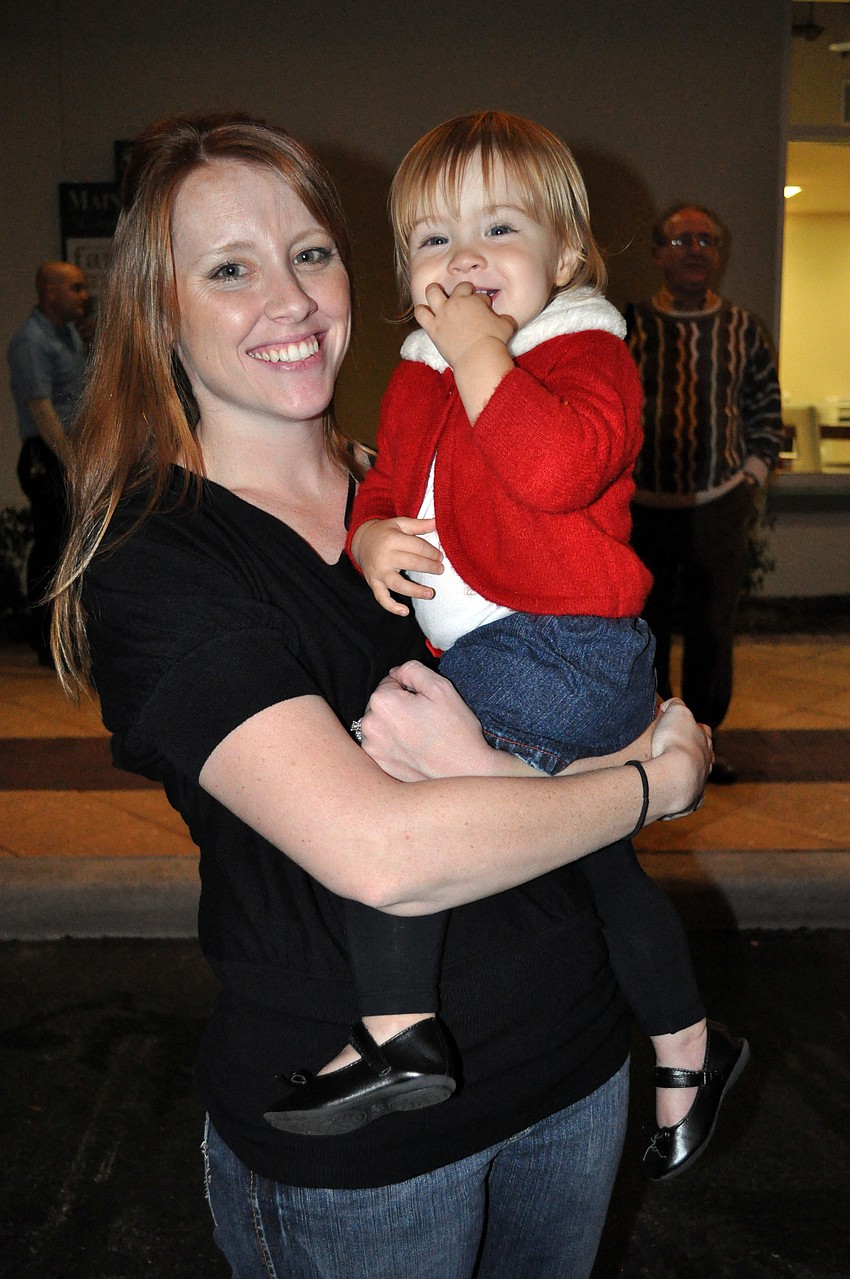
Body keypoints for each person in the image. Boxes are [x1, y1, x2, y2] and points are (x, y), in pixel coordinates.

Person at [51, 112, 712, 1279]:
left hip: (570, 1070)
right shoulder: (160, 561)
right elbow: (383, 854)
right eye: (229, 269)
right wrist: (649, 782)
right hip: (366, 1165)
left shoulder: (411, 492)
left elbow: (584, 624)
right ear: (160, 312)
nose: (291, 299)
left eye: (310, 253)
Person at [267, 111, 747, 1184]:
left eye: (496, 228)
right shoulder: (420, 372)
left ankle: (397, 1032)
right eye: (434, 242)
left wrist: (485, 352)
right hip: (506, 648)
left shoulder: (583, 349)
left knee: (392, 771)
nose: (465, 260)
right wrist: (371, 531)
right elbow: (390, 483)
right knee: (594, 859)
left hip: (565, 647)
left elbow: (551, 470)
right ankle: (688, 1047)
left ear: (566, 256)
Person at [625, 204, 783, 783]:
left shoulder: (744, 330)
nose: (695, 249)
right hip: (644, 510)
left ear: (719, 253)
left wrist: (752, 478)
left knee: (713, 629)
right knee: (646, 628)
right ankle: (654, 745)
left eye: (706, 240)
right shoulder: (629, 326)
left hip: (720, 505)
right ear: (658, 252)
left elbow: (767, 409)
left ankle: (706, 743)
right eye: (681, 239)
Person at [7, 261, 89, 664]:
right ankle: (44, 640)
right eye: (75, 288)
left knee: (72, 547)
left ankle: (69, 639)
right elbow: (41, 410)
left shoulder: (69, 334)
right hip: (48, 456)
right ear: (51, 293)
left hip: (71, 454)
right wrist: (71, 461)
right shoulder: (31, 341)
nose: (84, 295)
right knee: (53, 547)